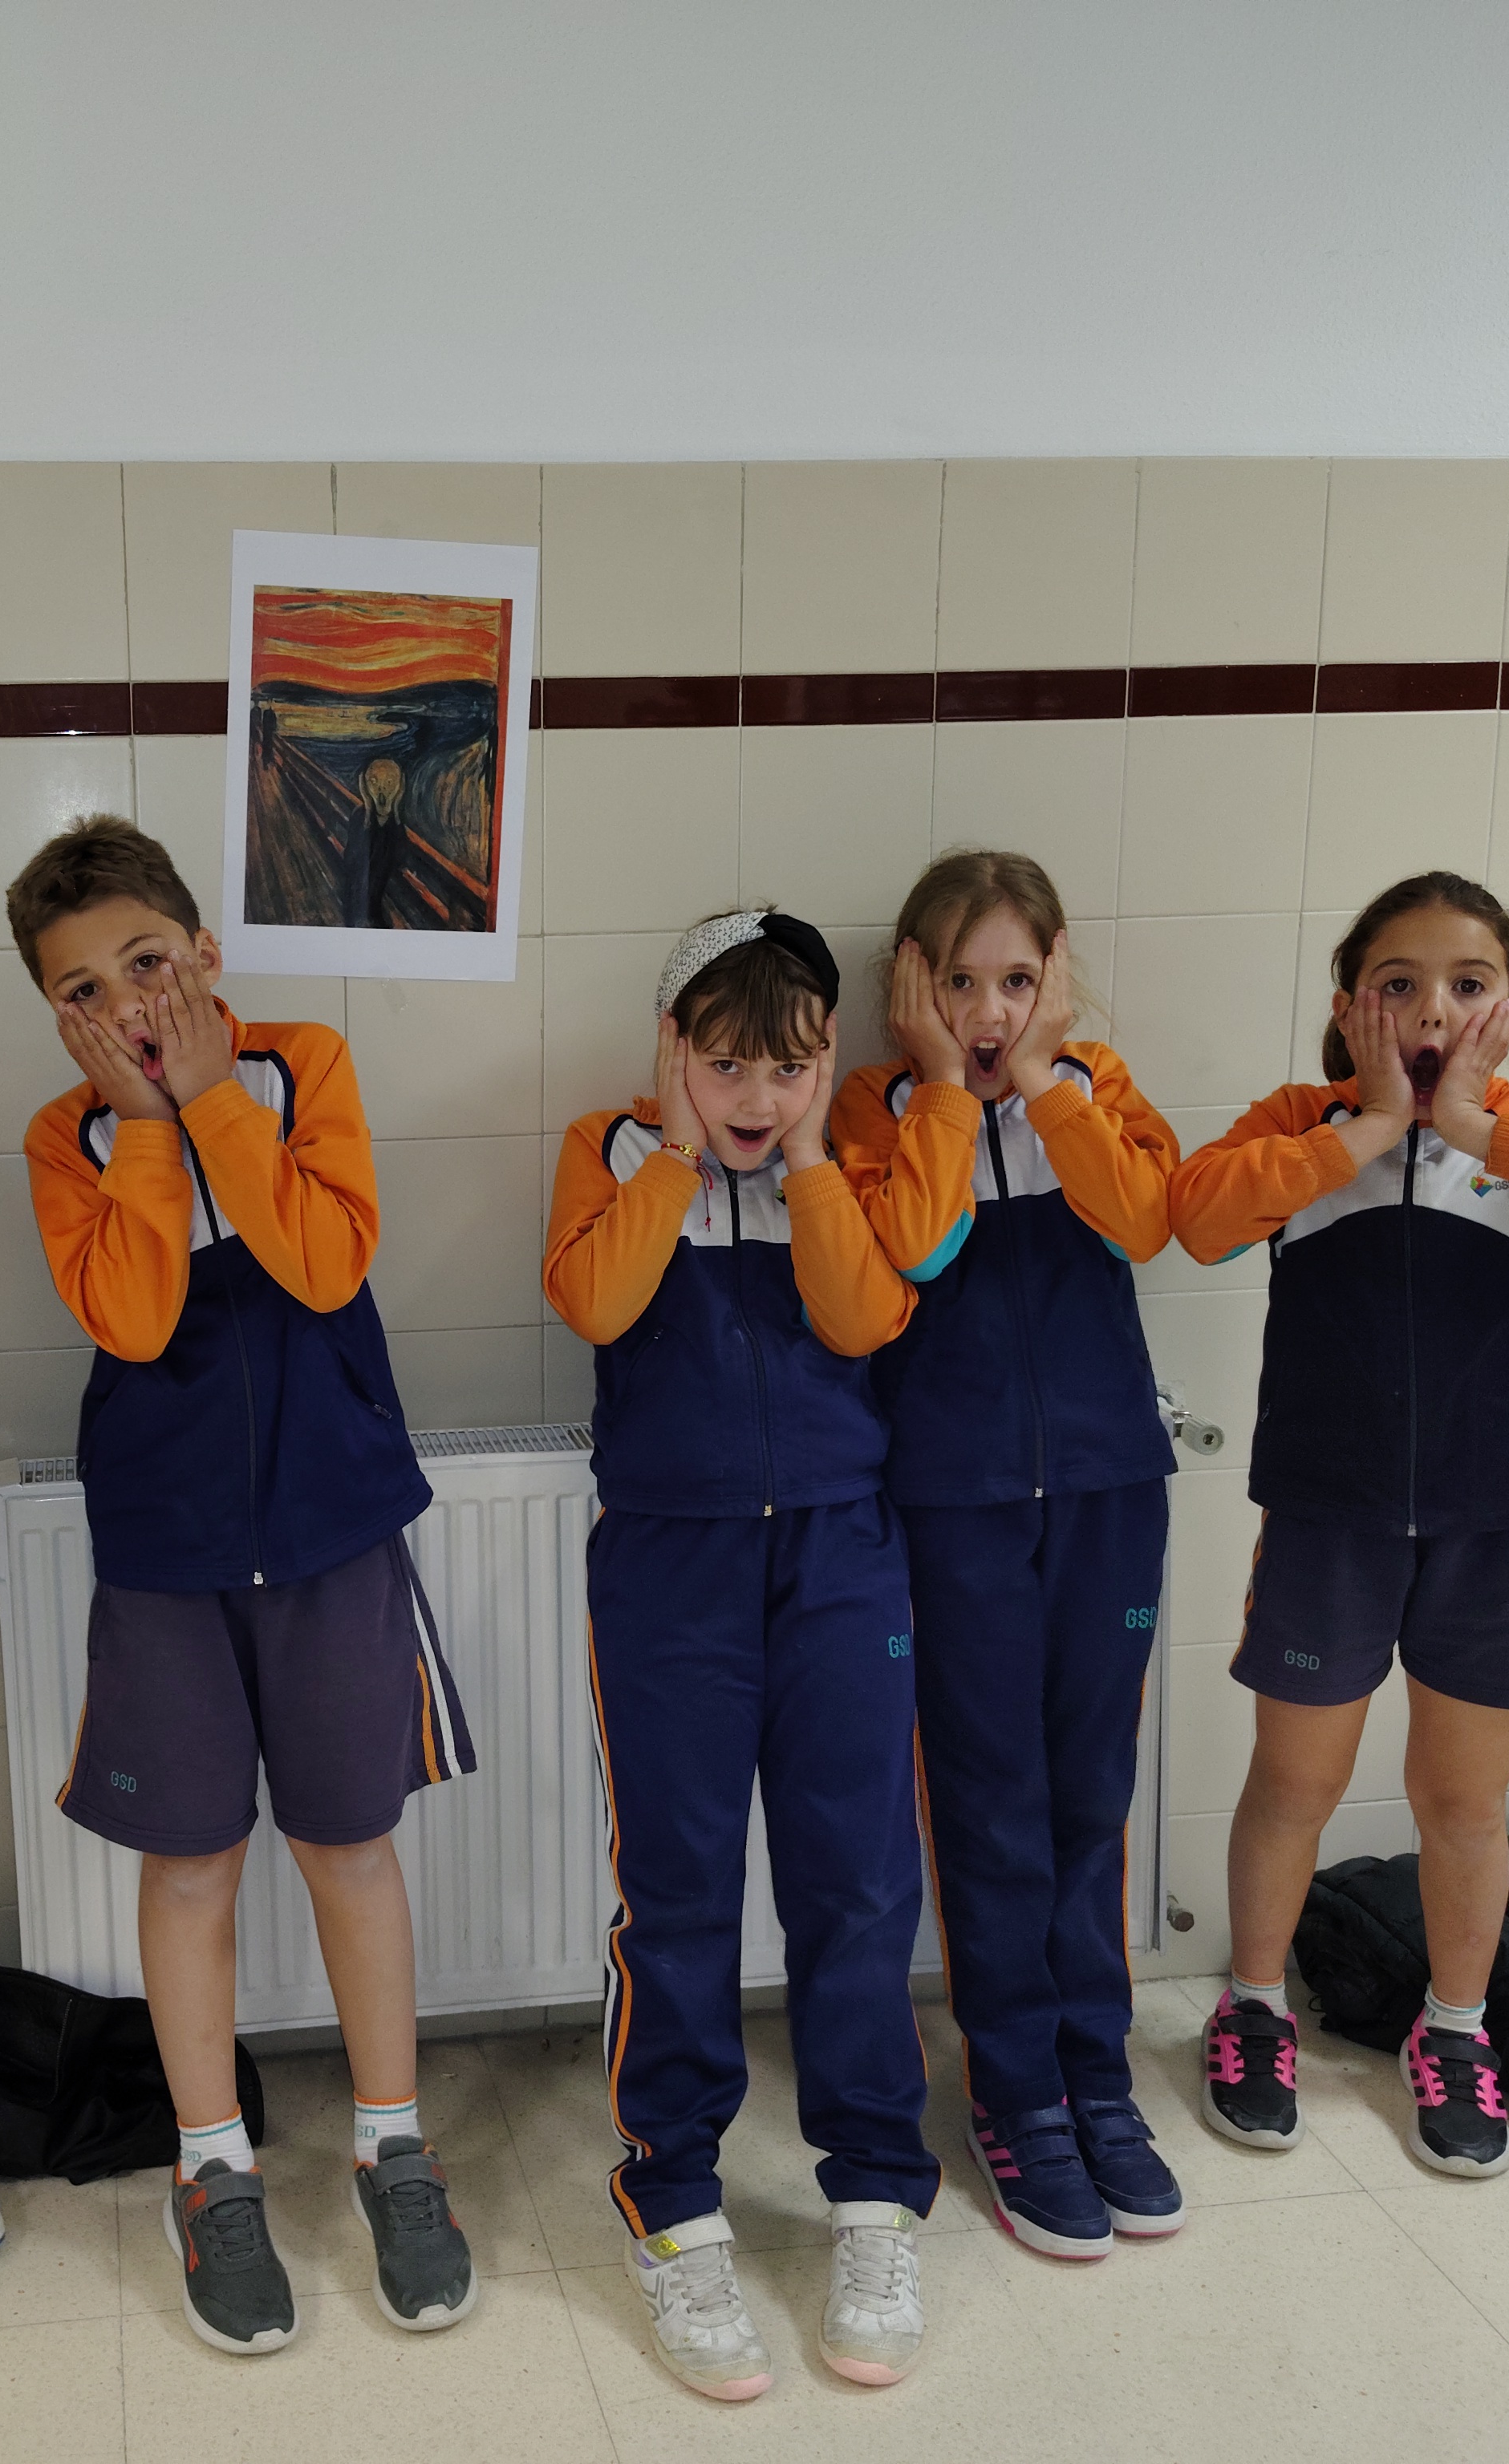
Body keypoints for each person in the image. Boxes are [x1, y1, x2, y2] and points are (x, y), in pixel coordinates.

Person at [9, 815, 479, 2353]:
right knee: (192, 1862)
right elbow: (136, 1321)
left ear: (206, 955)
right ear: (56, 1019)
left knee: (351, 1846)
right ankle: (211, 2169)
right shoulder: (65, 1140)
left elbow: (326, 1265)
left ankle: (394, 2145)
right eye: (82, 993)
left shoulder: (302, 1067)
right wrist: (146, 1124)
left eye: (147, 964)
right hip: (168, 1559)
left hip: (334, 1536)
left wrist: (213, 1100)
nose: (126, 1006)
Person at [1167, 871, 1509, 2180]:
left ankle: (1455, 2031)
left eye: (1468, 985)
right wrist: (1365, 1126)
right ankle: (1253, 2007)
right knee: (1293, 1785)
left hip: (1502, 1536)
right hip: (1328, 1528)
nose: (1432, 1010)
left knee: (1461, 1804)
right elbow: (1197, 1220)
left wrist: (1476, 1128)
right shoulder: (1304, 1130)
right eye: (1398, 983)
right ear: (1350, 1003)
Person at [542, 907, 935, 2403]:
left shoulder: (852, 1162)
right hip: (670, 1569)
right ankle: (675, 2205)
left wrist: (817, 1158)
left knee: (858, 1883)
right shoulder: (610, 1150)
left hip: (841, 1558)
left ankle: (877, 2197)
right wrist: (671, 1148)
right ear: (672, 1055)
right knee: (681, 1890)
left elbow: (865, 1318)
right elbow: (594, 1301)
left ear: (826, 1063)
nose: (757, 1098)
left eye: (789, 1067)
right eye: (725, 1066)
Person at [832, 850, 1186, 2260]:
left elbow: (1146, 1221)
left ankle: (1099, 2074)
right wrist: (940, 1086)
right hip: (955, 1502)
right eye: (961, 984)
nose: (989, 1013)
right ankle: (1019, 2088)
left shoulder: (1091, 1086)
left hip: (1110, 1491)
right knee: (990, 1802)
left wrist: (1043, 1081)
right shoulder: (874, 1106)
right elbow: (912, 1257)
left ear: (1058, 978)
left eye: (1018, 982)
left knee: (1091, 1795)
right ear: (912, 987)